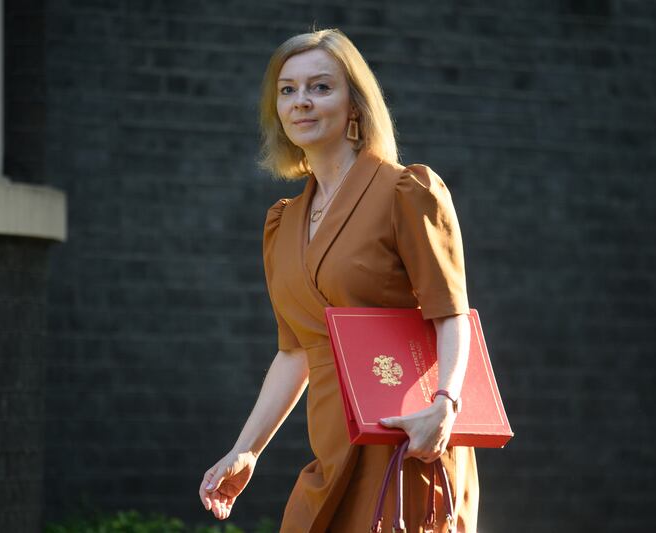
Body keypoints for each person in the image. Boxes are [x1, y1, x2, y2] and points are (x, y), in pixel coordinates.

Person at [199, 28, 478, 532]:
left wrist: (445, 407)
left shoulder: (405, 191)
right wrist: (246, 450)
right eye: (287, 90)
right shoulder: (283, 222)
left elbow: (451, 312)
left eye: (320, 87)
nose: (301, 102)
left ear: (354, 105)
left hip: (407, 443)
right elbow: (296, 350)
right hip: (332, 445)